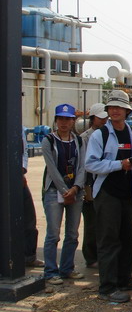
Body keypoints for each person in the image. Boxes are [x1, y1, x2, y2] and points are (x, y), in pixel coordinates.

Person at [85, 90, 132, 303]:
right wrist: (119, 165)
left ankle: (124, 279)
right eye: (112, 107)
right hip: (107, 194)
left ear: (126, 111)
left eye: (119, 107)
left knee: (127, 239)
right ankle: (107, 287)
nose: (115, 111)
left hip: (128, 193)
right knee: (109, 240)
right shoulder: (100, 135)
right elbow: (91, 164)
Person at [41, 104, 86, 284]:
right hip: (54, 191)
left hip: (75, 191)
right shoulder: (48, 141)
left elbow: (82, 166)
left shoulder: (79, 141)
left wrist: (76, 187)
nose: (64, 122)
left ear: (73, 121)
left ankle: (67, 268)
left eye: (68, 119)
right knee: (53, 233)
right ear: (56, 120)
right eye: (60, 118)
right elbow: (51, 168)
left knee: (72, 234)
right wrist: (64, 190)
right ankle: (51, 271)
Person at [79, 103, 109, 268]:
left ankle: (101, 254)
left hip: (103, 183)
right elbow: (84, 165)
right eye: (100, 118)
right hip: (89, 184)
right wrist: (85, 187)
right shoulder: (85, 137)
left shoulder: (108, 135)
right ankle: (91, 256)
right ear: (93, 118)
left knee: (104, 223)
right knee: (91, 223)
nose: (104, 121)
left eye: (105, 118)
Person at [23, 124, 44, 268]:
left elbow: (24, 151)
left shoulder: (19, 128)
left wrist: (21, 170)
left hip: (19, 177)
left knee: (29, 219)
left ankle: (29, 256)